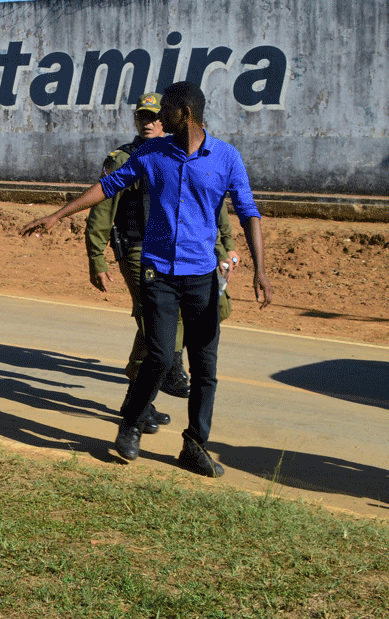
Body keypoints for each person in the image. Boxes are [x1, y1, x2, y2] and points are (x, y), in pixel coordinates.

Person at [21, 81, 271, 477]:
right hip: (158, 274)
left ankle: (194, 444)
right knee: (158, 356)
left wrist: (260, 269)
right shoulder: (152, 153)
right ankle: (131, 422)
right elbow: (107, 187)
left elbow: (248, 211)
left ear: (184, 113)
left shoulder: (225, 157)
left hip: (202, 277)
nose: (158, 117)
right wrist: (57, 215)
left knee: (205, 368)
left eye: (166, 109)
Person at [84, 93, 241, 433]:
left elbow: (214, 207)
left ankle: (155, 383)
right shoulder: (128, 157)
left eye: (157, 116)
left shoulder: (197, 155)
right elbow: (102, 208)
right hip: (142, 252)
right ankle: (142, 397)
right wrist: (97, 258)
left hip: (187, 255)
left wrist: (225, 247)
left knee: (190, 322)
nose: (150, 122)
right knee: (154, 328)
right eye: (143, 117)